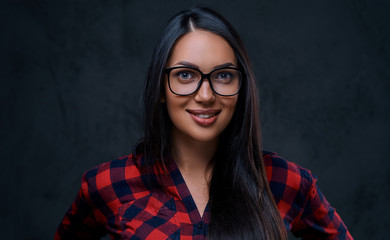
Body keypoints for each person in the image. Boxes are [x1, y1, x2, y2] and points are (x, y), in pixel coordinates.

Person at [55, 7, 353, 240]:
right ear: (161, 88)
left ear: (242, 86)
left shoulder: (284, 181)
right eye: (186, 75)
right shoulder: (108, 184)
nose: (206, 95)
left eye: (223, 75)